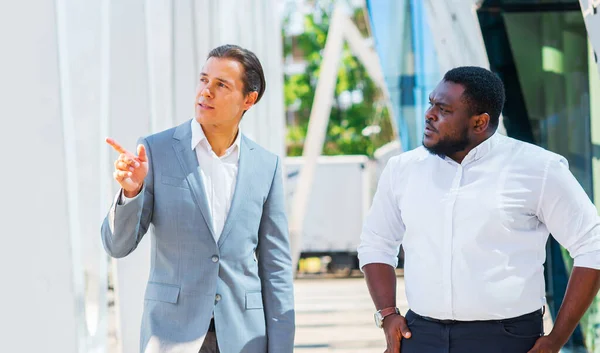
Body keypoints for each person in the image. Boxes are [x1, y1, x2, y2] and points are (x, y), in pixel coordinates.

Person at [358, 66, 600, 353]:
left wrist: (557, 339)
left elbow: (592, 245)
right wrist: (387, 314)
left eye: (444, 109)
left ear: (479, 122)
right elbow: (377, 242)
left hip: (507, 340)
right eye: (431, 103)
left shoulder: (539, 168)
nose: (429, 114)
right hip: (420, 336)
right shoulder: (402, 169)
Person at [101, 44, 295, 353]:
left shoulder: (266, 166)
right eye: (204, 80)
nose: (206, 92)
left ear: (249, 99)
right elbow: (117, 245)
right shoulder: (155, 151)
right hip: (171, 335)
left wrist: (282, 347)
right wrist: (131, 191)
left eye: (221, 85)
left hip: (245, 337)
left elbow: (276, 268)